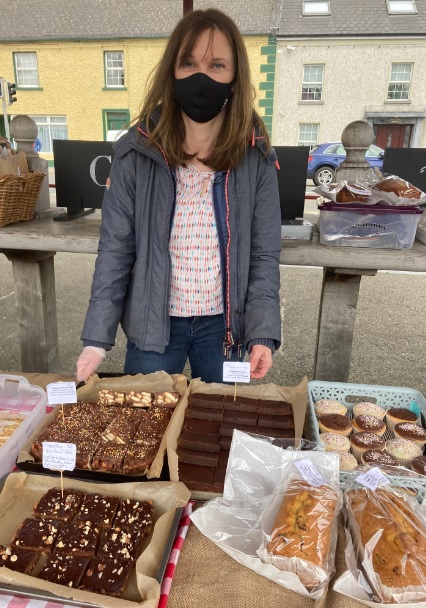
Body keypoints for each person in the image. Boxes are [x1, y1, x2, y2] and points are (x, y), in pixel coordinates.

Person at [76, 8, 282, 384]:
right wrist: (97, 340)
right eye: (189, 62)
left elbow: (264, 256)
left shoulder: (257, 159)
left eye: (217, 65)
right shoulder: (135, 155)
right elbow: (115, 251)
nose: (201, 76)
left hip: (224, 329)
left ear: (235, 78)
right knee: (146, 425)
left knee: (219, 429)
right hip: (154, 321)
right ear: (172, 70)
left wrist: (261, 332)